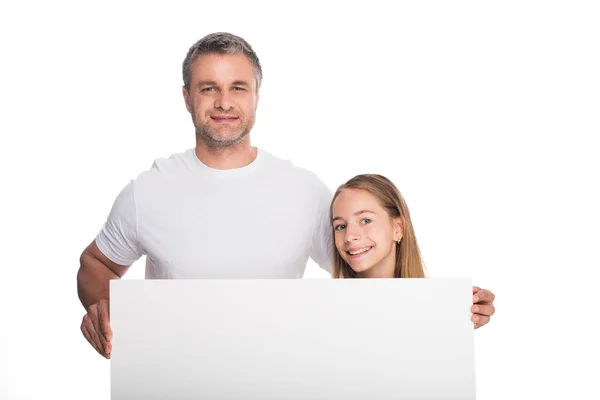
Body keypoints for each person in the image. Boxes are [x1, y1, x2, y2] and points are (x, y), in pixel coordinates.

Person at [77, 32, 496, 359]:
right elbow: (96, 264)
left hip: (280, 381)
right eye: (208, 88)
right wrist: (102, 308)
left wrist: (441, 310)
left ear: (257, 96)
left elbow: (368, 279)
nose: (224, 102)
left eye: (238, 87)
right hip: (172, 381)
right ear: (186, 98)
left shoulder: (304, 192)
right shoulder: (147, 191)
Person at [330, 174, 495, 327]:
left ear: (398, 228)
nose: (349, 236)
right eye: (340, 226)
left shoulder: (435, 307)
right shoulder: (327, 312)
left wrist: (461, 317)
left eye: (366, 220)